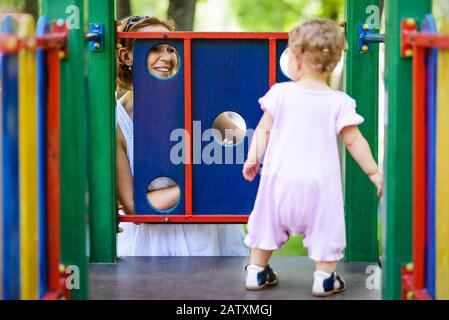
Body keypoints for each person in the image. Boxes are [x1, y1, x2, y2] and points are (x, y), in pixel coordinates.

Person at [241, 19, 383, 296]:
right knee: (326, 228)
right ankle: (325, 277)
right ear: (334, 62)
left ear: (294, 60)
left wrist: (252, 158)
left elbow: (263, 130)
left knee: (267, 223)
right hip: (320, 188)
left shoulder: (280, 94)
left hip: (279, 182)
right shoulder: (338, 102)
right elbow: (355, 141)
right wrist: (374, 173)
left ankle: (257, 271)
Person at [115, 15, 249, 256]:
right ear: (127, 56)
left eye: (171, 49)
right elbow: (135, 207)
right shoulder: (117, 121)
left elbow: (243, 144)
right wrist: (204, 180)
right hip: (153, 242)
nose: (166, 57)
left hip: (208, 234)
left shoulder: (196, 100)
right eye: (155, 48)